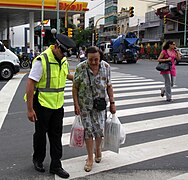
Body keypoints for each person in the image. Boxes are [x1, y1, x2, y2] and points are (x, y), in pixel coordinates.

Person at [25, 34, 76, 179]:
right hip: (41, 104)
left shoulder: (63, 59)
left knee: (56, 136)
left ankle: (56, 165)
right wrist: (30, 109)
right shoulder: (42, 60)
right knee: (40, 135)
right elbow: (30, 83)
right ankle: (38, 160)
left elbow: (66, 74)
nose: (64, 56)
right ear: (56, 46)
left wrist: (79, 77)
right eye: (63, 52)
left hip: (57, 105)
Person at [72, 46, 116, 172]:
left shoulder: (106, 67)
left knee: (99, 130)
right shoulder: (81, 67)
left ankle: (98, 149)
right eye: (90, 59)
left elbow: (109, 86)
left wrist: (112, 102)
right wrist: (76, 104)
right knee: (88, 131)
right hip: (84, 106)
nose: (93, 62)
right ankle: (90, 158)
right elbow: (75, 87)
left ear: (100, 58)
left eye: (96, 59)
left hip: (100, 106)